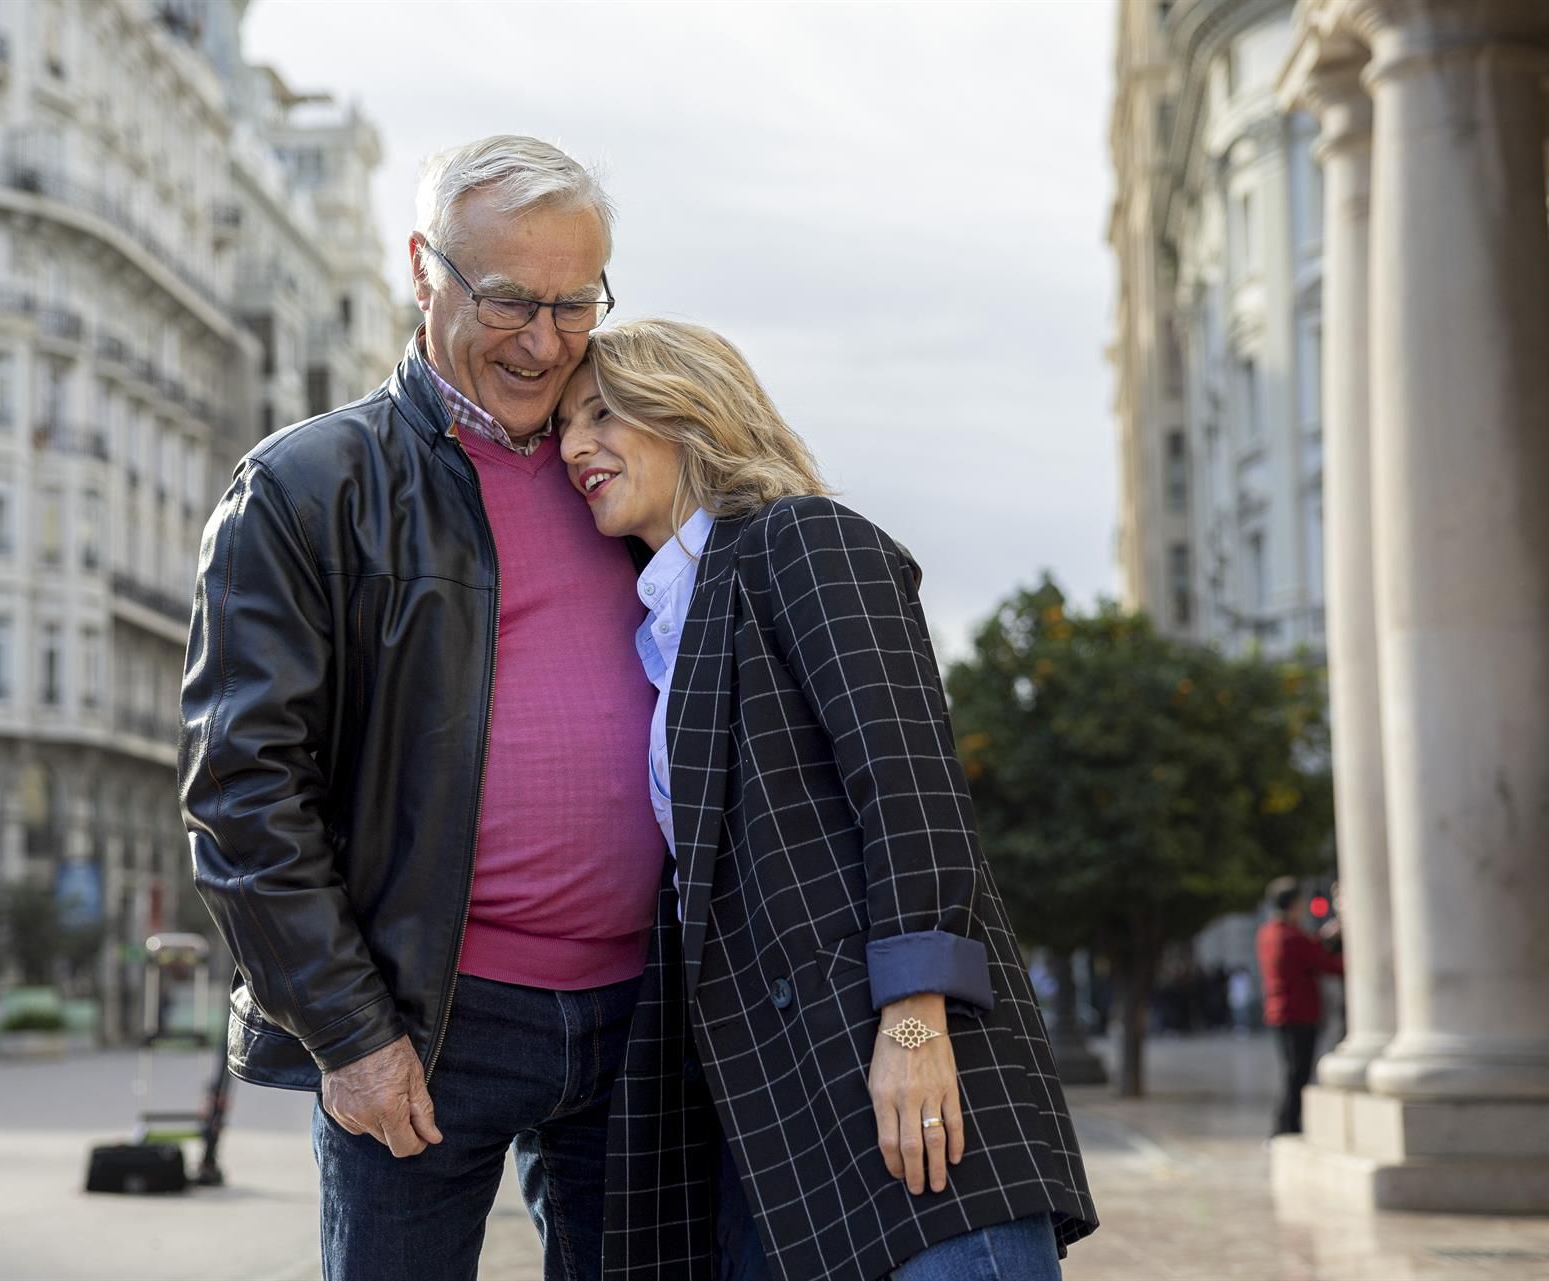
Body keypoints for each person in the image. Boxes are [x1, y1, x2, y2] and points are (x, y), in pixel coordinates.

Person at [180, 136, 653, 1280]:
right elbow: (244, 793)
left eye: (573, 303)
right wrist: (350, 1037)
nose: (543, 343)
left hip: (644, 1016)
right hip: (425, 1029)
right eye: (505, 300)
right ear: (422, 270)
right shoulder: (306, 486)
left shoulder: (641, 465)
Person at [556, 319, 1098, 1280]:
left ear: (690, 410)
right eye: (564, 425)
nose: (573, 446)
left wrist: (915, 1022)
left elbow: (910, 789)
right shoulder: (662, 626)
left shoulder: (802, 540)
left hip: (909, 1090)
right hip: (788, 1117)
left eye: (603, 412)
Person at [1256, 876, 1343, 1136]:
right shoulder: (1291, 937)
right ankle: (1286, 1128)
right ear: (1293, 904)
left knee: (1292, 1072)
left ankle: (1285, 1127)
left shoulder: (1269, 933)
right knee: (1297, 1075)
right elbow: (1325, 963)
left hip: (1280, 1013)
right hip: (1299, 1013)